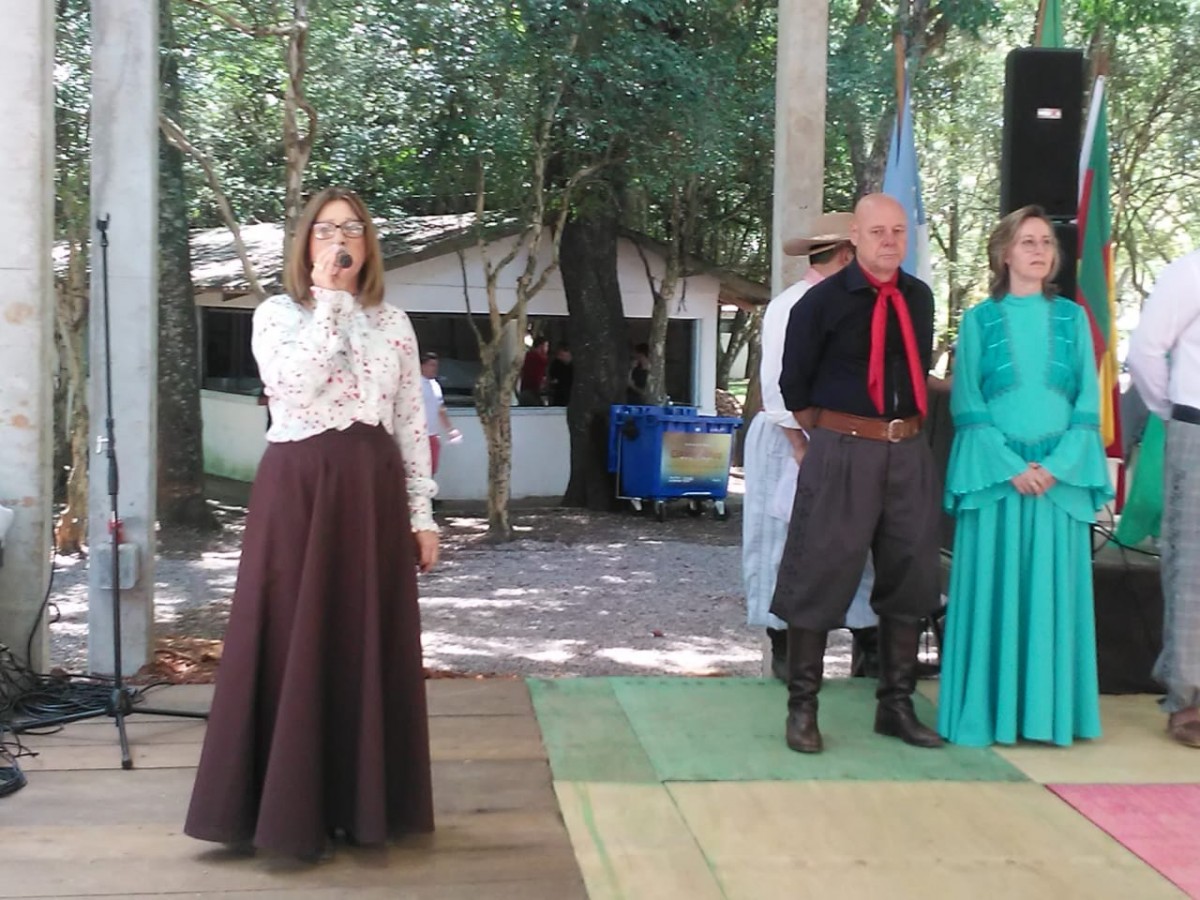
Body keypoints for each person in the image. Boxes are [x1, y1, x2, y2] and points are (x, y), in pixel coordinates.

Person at [184, 186, 439, 859]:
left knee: (363, 632)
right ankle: (280, 810)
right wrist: (329, 303)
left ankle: (364, 806)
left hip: (372, 488)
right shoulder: (276, 314)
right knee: (290, 630)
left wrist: (422, 513)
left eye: (351, 229)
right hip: (298, 489)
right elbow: (292, 389)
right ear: (304, 243)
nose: (339, 240)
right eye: (325, 230)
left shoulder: (394, 322)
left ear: (369, 242)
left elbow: (409, 421)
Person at [772, 193, 944, 754]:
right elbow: (794, 384)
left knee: (910, 575)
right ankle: (803, 708)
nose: (889, 240)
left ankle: (895, 706)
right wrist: (835, 435)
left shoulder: (918, 297)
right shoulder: (820, 303)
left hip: (908, 450)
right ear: (854, 237)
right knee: (820, 572)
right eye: (877, 231)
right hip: (844, 448)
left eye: (898, 231)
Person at [937, 205, 1113, 747]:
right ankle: (987, 712)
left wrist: (1056, 467)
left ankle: (1048, 715)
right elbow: (968, 405)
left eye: (1046, 243)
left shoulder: (1074, 320)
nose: (1039, 250)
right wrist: (1011, 467)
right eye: (1028, 241)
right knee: (995, 595)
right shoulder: (978, 321)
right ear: (1004, 253)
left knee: (1050, 600)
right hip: (998, 482)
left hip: (1057, 483)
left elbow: (1088, 404)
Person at [741, 212, 878, 681]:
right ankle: (787, 647)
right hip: (791, 436)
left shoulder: (852, 305)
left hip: (838, 437)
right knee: (783, 541)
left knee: (854, 540)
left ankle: (867, 639)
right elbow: (778, 385)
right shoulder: (793, 304)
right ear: (846, 255)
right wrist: (799, 444)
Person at [1127, 244, 1200, 749]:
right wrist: (1173, 413)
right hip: (1196, 426)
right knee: (1192, 569)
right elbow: (1146, 351)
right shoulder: (1192, 271)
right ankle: (1189, 699)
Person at [420, 351, 461, 476]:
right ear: (422, 366)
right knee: (417, 471)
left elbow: (440, 409)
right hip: (417, 436)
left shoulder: (435, 385)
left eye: (436, 365)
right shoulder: (414, 385)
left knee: (432, 470)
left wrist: (450, 429)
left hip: (432, 435)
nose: (435, 369)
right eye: (432, 365)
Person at [519, 336, 550, 405]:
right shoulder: (540, 359)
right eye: (546, 346)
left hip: (525, 391)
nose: (547, 349)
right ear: (541, 346)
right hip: (532, 392)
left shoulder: (527, 356)